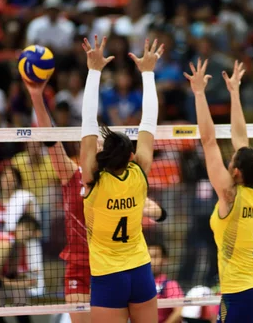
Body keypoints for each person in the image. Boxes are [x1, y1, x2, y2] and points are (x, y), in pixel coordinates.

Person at [184, 59, 253, 323]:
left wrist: (199, 93)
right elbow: (242, 140)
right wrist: (234, 92)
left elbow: (208, 140)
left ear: (235, 172)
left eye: (231, 161)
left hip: (242, 292)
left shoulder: (230, 194)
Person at [80, 35, 166, 323]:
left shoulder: (93, 178)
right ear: (130, 156)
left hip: (107, 276)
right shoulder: (139, 172)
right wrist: (148, 73)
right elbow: (148, 122)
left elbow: (88, 123)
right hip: (140, 270)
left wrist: (93, 71)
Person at [148, 241, 184, 323]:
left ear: (164, 260)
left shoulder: (170, 285)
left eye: (154, 256)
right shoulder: (136, 285)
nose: (150, 261)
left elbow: (179, 313)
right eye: (147, 256)